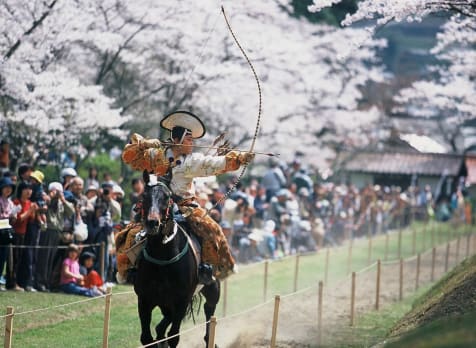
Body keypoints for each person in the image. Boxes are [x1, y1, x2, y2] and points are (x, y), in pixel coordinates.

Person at [117, 111, 254, 284]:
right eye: (189, 140)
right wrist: (143, 144)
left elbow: (213, 164)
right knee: (129, 235)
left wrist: (240, 158)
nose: (192, 144)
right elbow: (128, 157)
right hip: (157, 206)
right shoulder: (155, 155)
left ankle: (207, 269)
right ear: (177, 140)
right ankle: (129, 272)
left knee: (212, 231)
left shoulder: (192, 161)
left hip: (185, 207)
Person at [35, 182, 75, 292]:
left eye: (59, 191)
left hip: (57, 232)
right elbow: (41, 208)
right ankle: (39, 282)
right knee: (43, 258)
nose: (57, 193)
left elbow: (71, 211)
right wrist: (50, 197)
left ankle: (46, 282)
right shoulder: (46, 199)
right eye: (55, 191)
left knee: (51, 259)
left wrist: (63, 199)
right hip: (47, 231)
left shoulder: (62, 203)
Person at [0, 177, 16, 290]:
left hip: (5, 233)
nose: (8, 190)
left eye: (10, 188)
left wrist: (13, 217)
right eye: (6, 187)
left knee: (3, 258)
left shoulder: (10, 203)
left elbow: (10, 218)